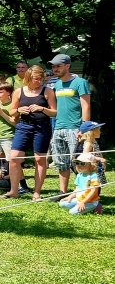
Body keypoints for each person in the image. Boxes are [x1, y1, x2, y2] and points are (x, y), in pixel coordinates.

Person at [1, 65, 56, 201]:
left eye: (40, 79)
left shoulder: (47, 91)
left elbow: (55, 112)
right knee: (14, 158)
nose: (38, 81)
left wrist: (42, 108)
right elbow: (12, 111)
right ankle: (14, 191)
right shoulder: (19, 92)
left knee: (40, 159)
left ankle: (37, 192)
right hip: (23, 126)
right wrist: (20, 110)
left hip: (42, 127)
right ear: (28, 78)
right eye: (35, 79)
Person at [48, 54, 91, 195]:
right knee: (61, 162)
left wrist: (84, 128)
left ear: (68, 66)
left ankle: (84, 192)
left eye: (58, 66)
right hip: (58, 128)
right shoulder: (57, 84)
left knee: (79, 163)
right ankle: (63, 192)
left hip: (75, 128)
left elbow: (86, 106)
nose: (55, 69)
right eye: (53, 66)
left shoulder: (80, 82)